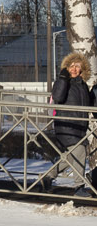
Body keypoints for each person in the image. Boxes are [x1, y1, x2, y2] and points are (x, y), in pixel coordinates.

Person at [35, 51, 95, 194]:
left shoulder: (83, 86)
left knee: (69, 157)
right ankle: (79, 187)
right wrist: (62, 78)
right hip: (65, 126)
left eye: (77, 66)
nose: (74, 69)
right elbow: (58, 96)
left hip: (79, 127)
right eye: (71, 66)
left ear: (82, 69)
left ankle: (47, 177)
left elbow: (90, 105)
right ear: (66, 69)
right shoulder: (63, 82)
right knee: (79, 152)